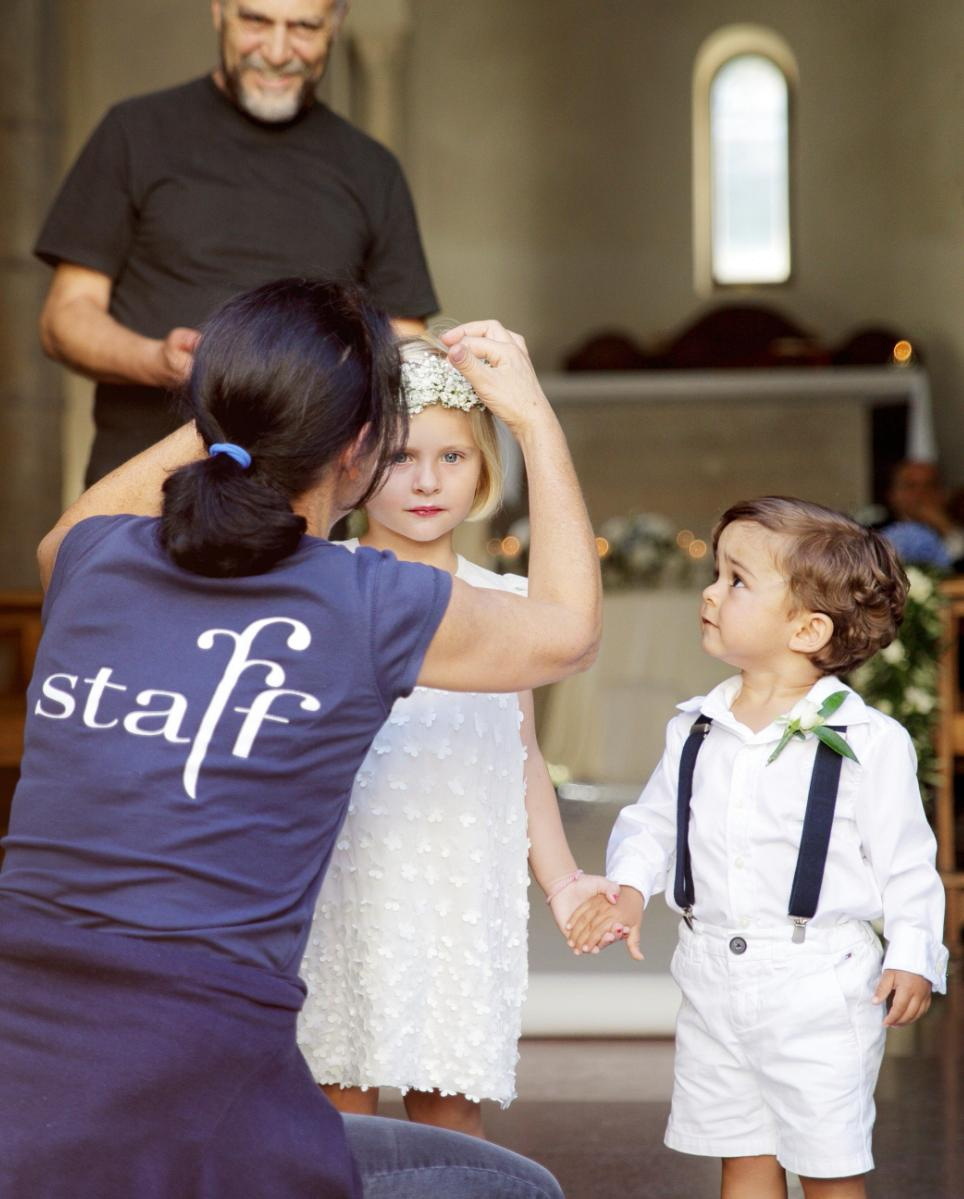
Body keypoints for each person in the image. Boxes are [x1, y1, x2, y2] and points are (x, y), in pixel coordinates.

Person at [0, 278, 601, 1198]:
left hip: (24, 1074)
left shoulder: (94, 559)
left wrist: (241, 398)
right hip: (188, 1097)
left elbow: (57, 539)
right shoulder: (359, 601)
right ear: (360, 454)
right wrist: (534, 421)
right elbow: (566, 629)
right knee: (521, 1190)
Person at [568, 496, 948, 1199]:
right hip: (711, 979)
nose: (710, 591)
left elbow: (905, 863)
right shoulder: (697, 729)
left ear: (807, 628)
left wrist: (913, 954)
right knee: (740, 1155)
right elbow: (655, 821)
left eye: (736, 579)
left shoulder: (871, 741)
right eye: (717, 572)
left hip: (820, 983)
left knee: (829, 1162)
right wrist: (628, 884)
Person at [298, 340, 614, 1136]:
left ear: (484, 470)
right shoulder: (321, 579)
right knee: (335, 1103)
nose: (429, 480)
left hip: (456, 891)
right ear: (355, 459)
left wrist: (565, 879)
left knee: (449, 1108)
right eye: (402, 456)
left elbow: (523, 758)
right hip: (346, 876)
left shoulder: (508, 602)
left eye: (453, 456)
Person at [35, 0, 437, 484]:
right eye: (256, 21)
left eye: (304, 27)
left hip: (306, 505)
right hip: (141, 496)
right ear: (218, 11)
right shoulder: (134, 133)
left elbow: (405, 346)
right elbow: (64, 319)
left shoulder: (372, 169)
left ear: (337, 24)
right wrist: (158, 362)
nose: (276, 50)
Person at [881, 459, 964, 569]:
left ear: (943, 493)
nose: (921, 493)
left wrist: (946, 528)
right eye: (911, 486)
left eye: (930, 485)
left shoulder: (956, 530)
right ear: (892, 495)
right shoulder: (875, 532)